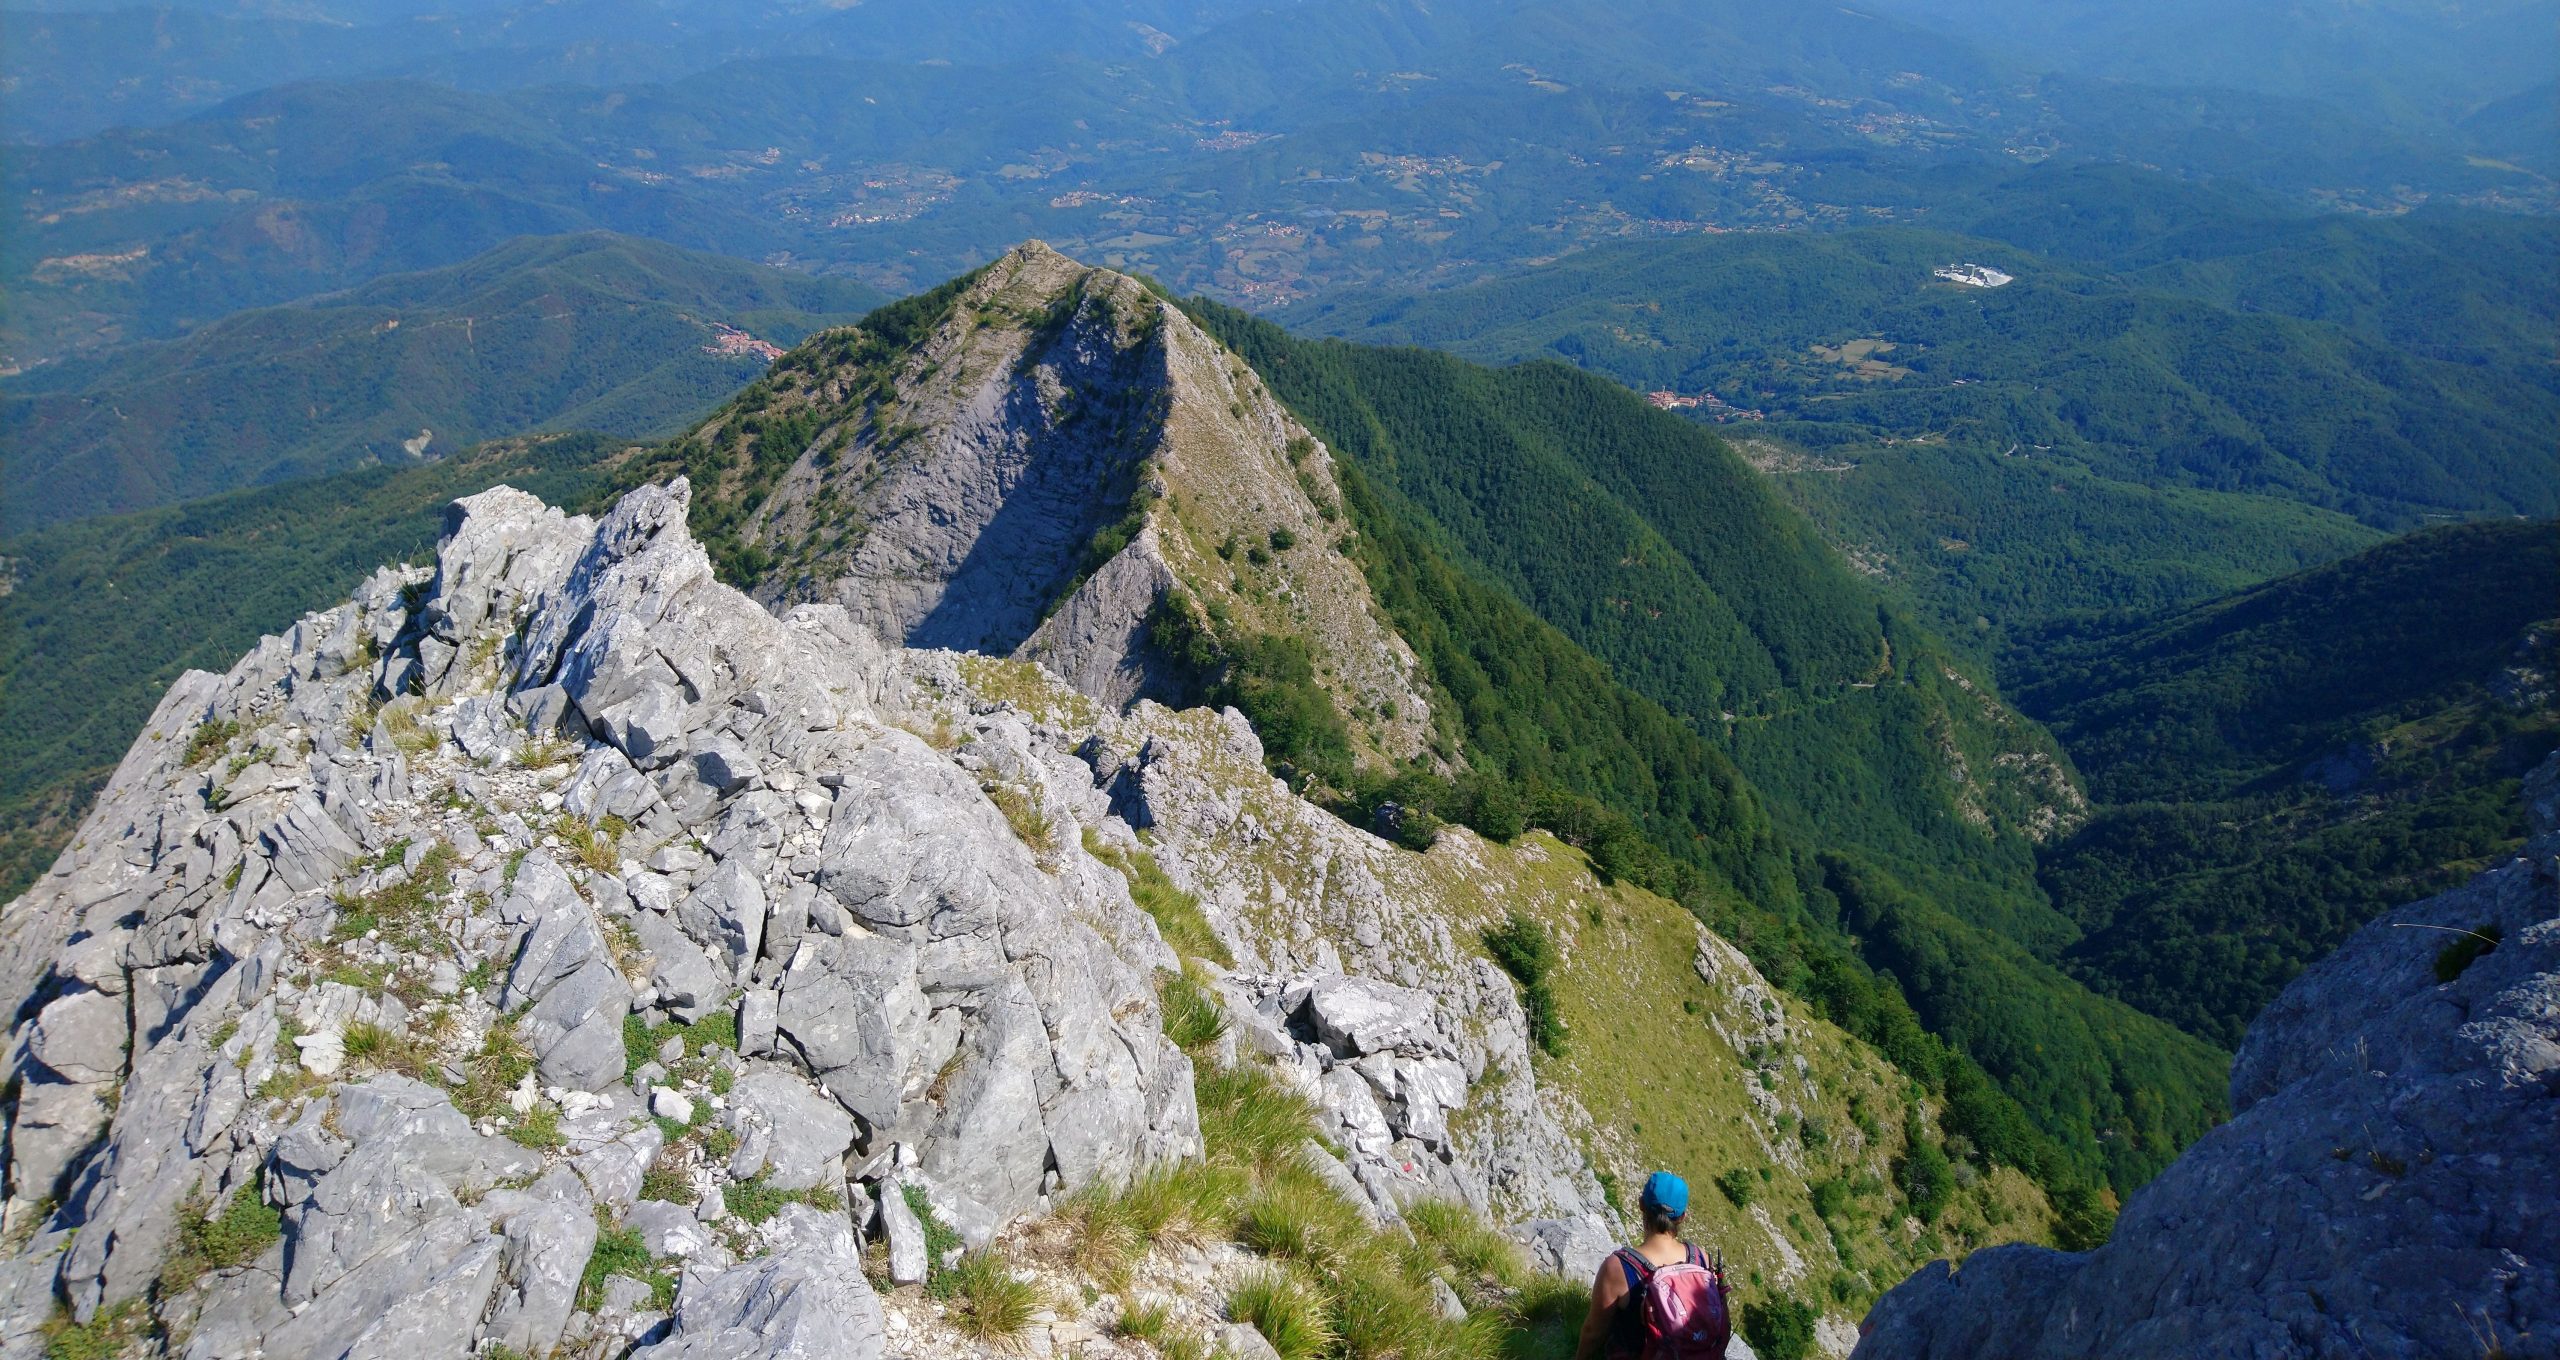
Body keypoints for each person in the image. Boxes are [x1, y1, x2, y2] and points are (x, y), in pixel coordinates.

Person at [1573, 1171, 1730, 1360]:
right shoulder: (1701, 1259)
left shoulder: (1619, 1267)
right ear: (1682, 1217)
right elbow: (1722, 1324)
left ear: (1641, 1205)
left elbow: (1593, 1333)